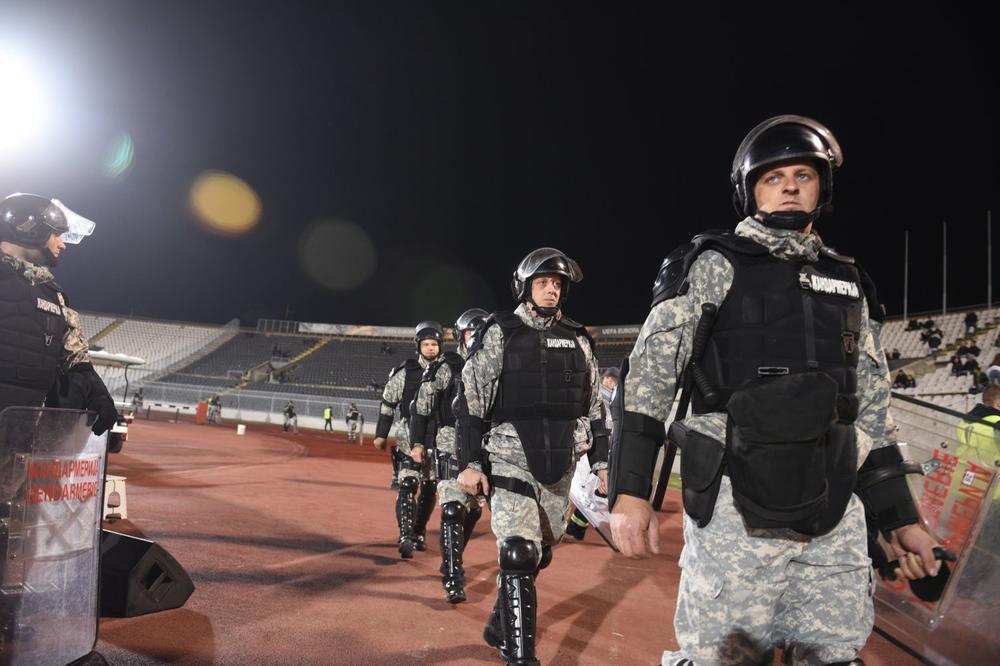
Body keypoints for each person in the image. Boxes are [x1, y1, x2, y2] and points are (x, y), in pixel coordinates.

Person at [608, 116, 942, 665]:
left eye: (803, 175)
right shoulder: (714, 264)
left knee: (837, 656)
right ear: (750, 191)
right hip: (736, 506)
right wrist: (630, 491)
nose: (789, 185)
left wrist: (902, 518)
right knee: (728, 660)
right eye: (773, 177)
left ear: (822, 188)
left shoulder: (849, 282)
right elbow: (648, 380)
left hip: (832, 509)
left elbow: (874, 409)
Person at [456, 248, 608, 665]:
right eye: (542, 283)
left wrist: (602, 462)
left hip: (561, 460)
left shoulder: (579, 338)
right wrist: (469, 463)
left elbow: (594, 407)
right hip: (509, 455)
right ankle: (520, 657)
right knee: (518, 552)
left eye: (557, 284)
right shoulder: (500, 331)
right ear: (525, 287)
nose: (551, 290)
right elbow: (470, 402)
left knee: (539, 553)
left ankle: (500, 623)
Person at [0, 193, 118, 430]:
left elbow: (76, 360)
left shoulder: (54, 295)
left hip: (18, 438)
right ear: (28, 227)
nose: (62, 244)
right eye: (56, 234)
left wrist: (98, 396)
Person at [410, 307, 489, 602]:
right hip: (450, 442)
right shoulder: (447, 366)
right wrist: (418, 442)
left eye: (482, 333)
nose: (477, 338)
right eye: (472, 333)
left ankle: (451, 558)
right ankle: (454, 576)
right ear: (461, 337)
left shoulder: (499, 365)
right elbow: (421, 406)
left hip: (483, 447)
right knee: (454, 508)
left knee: (474, 510)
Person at [374, 321, 442, 558]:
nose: (431, 348)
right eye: (426, 344)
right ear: (418, 346)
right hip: (407, 439)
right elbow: (388, 403)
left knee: (430, 488)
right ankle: (405, 535)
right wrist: (380, 435)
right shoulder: (406, 372)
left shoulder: (448, 371)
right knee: (407, 485)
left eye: (434, 344)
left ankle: (419, 531)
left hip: (437, 441)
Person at [566, 366, 619, 541]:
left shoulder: (599, 395)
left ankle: (568, 526)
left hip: (589, 447)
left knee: (576, 489)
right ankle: (576, 527)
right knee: (587, 492)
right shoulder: (613, 399)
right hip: (605, 448)